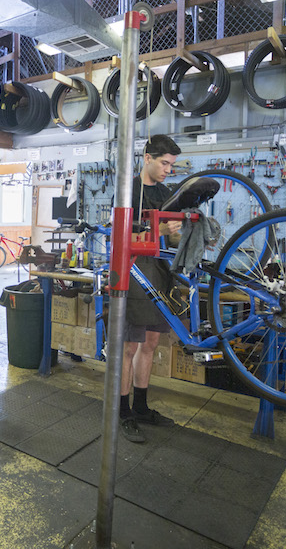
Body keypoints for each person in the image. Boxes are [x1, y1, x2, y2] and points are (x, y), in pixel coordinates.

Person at [119, 135, 183, 443]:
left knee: (150, 344)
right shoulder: (128, 191)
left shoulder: (168, 193)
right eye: (164, 163)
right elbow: (122, 235)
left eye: (171, 164)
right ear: (147, 157)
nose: (168, 169)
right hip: (133, 274)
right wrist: (158, 230)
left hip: (160, 274)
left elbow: (171, 241)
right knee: (129, 346)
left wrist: (179, 233)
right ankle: (122, 411)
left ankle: (141, 406)